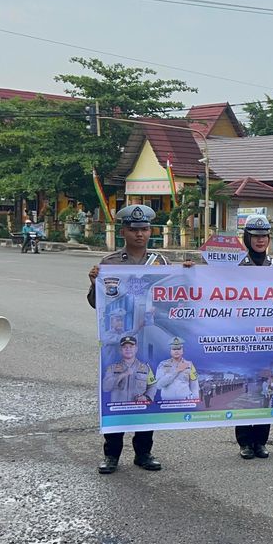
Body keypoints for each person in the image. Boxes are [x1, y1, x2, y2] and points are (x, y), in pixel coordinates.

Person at [87, 204, 194, 475]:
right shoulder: (109, 264)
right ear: (123, 231)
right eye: (134, 230)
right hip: (118, 343)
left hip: (149, 340)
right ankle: (111, 455)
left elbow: (173, 300)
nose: (140, 234)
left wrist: (189, 275)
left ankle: (144, 452)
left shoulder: (160, 264)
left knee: (146, 393)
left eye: (145, 229)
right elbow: (95, 304)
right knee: (117, 394)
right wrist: (93, 284)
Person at [233, 215, 273, 460]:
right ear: (247, 238)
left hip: (270, 339)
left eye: (264, 235)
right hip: (243, 339)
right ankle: (244, 441)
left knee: (266, 390)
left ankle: (261, 440)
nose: (260, 240)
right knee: (248, 387)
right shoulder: (235, 266)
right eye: (255, 235)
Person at [102, 336, 155, 404]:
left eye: (131, 346)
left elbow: (152, 385)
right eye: (125, 347)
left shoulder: (145, 368)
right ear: (120, 350)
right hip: (118, 410)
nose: (128, 349)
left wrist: (146, 397)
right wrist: (123, 375)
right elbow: (105, 387)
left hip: (139, 409)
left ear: (136, 349)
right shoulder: (111, 368)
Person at [154, 337, 199, 402]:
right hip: (167, 402)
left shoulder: (189, 364)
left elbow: (194, 386)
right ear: (170, 351)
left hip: (185, 401)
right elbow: (158, 385)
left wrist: (195, 401)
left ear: (182, 350)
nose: (176, 351)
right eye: (174, 349)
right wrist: (176, 371)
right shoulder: (163, 364)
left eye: (178, 348)